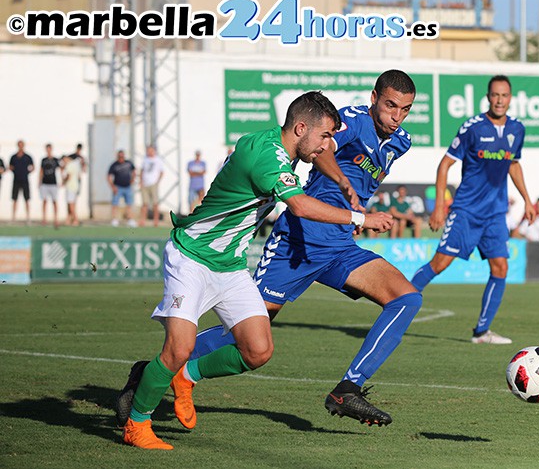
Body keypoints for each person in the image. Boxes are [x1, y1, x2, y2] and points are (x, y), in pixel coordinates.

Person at [114, 91, 393, 450]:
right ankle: (137, 424)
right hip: (192, 258)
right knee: (178, 347)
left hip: (229, 266)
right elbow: (301, 207)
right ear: (301, 127)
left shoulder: (279, 148)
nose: (328, 147)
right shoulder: (268, 156)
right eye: (324, 137)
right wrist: (361, 219)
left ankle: (186, 377)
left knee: (258, 350)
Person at [181, 70, 420, 428]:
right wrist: (341, 180)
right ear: (374, 98)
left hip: (340, 245)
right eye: (390, 106)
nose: (396, 116)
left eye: (405, 109)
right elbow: (321, 150)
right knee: (246, 332)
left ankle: (348, 388)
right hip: (300, 239)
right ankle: (159, 369)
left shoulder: (401, 142)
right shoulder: (352, 122)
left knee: (406, 298)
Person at [411, 75, 535, 345]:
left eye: (504, 95)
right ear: (488, 97)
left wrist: (527, 199)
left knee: (500, 267)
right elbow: (445, 164)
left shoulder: (517, 129)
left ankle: (481, 332)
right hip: (466, 211)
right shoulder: (473, 128)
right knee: (440, 264)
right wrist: (440, 208)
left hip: (495, 213)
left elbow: (513, 164)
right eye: (495, 95)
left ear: (510, 98)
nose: (499, 100)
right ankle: (396, 304)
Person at [108, 150, 137, 227]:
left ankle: (130, 219)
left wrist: (132, 180)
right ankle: (114, 219)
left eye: (122, 156)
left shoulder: (129, 163)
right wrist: (113, 186)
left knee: (129, 204)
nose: (121, 158)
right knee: (115, 203)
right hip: (118, 187)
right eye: (119, 156)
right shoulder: (114, 165)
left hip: (127, 187)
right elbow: (109, 176)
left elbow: (134, 171)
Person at [138, 145, 164, 227]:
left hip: (153, 184)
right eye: (148, 150)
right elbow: (142, 171)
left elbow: (161, 172)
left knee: (155, 203)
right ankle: (143, 220)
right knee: (144, 203)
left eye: (150, 150)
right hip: (145, 184)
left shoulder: (158, 160)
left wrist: (157, 181)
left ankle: (155, 221)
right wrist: (141, 181)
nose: (149, 152)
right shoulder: (145, 160)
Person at [9, 139, 34, 223]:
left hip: (24, 180)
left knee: (26, 199)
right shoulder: (14, 157)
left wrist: (27, 172)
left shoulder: (27, 157)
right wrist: (15, 171)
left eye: (21, 145)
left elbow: (33, 167)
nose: (20, 146)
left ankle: (28, 218)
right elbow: (10, 166)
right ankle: (13, 217)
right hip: (16, 180)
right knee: (15, 199)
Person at [39, 143, 62, 228]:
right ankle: (44, 218)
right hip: (45, 183)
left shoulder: (56, 160)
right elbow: (41, 170)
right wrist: (39, 182)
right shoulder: (43, 160)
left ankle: (56, 219)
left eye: (49, 149)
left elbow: (61, 169)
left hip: (53, 183)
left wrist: (62, 180)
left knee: (54, 201)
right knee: (44, 201)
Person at [62, 154, 82, 226]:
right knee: (71, 204)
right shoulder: (76, 165)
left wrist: (63, 182)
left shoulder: (69, 165)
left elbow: (69, 176)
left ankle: (76, 220)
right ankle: (69, 219)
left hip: (70, 187)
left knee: (71, 205)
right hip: (76, 186)